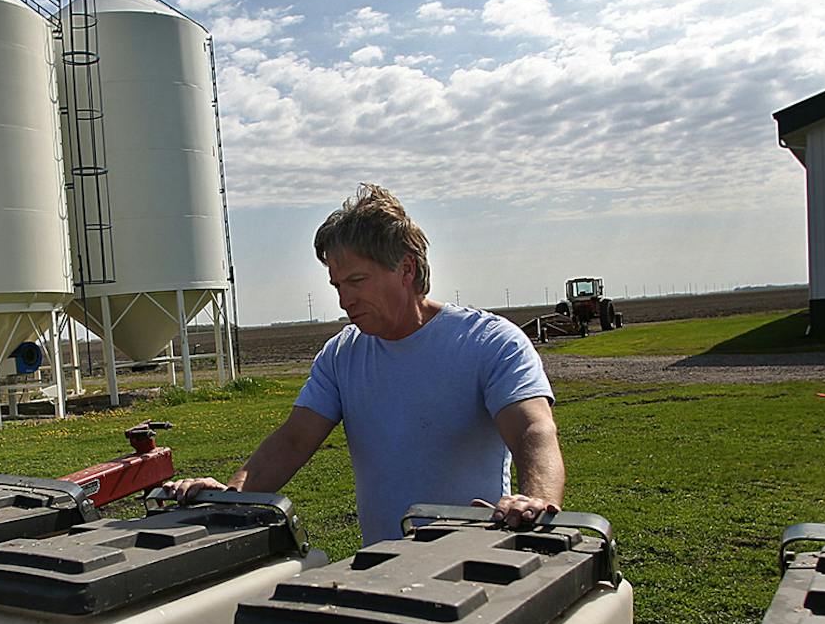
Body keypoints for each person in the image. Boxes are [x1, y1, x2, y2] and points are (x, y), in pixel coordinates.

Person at [174, 184, 564, 543]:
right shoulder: (342, 354)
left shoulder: (488, 342)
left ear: (406, 269)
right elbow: (293, 440)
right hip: (381, 568)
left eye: (357, 281)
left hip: (478, 561)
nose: (345, 300)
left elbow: (533, 427)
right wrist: (232, 495)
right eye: (338, 286)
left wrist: (534, 500)